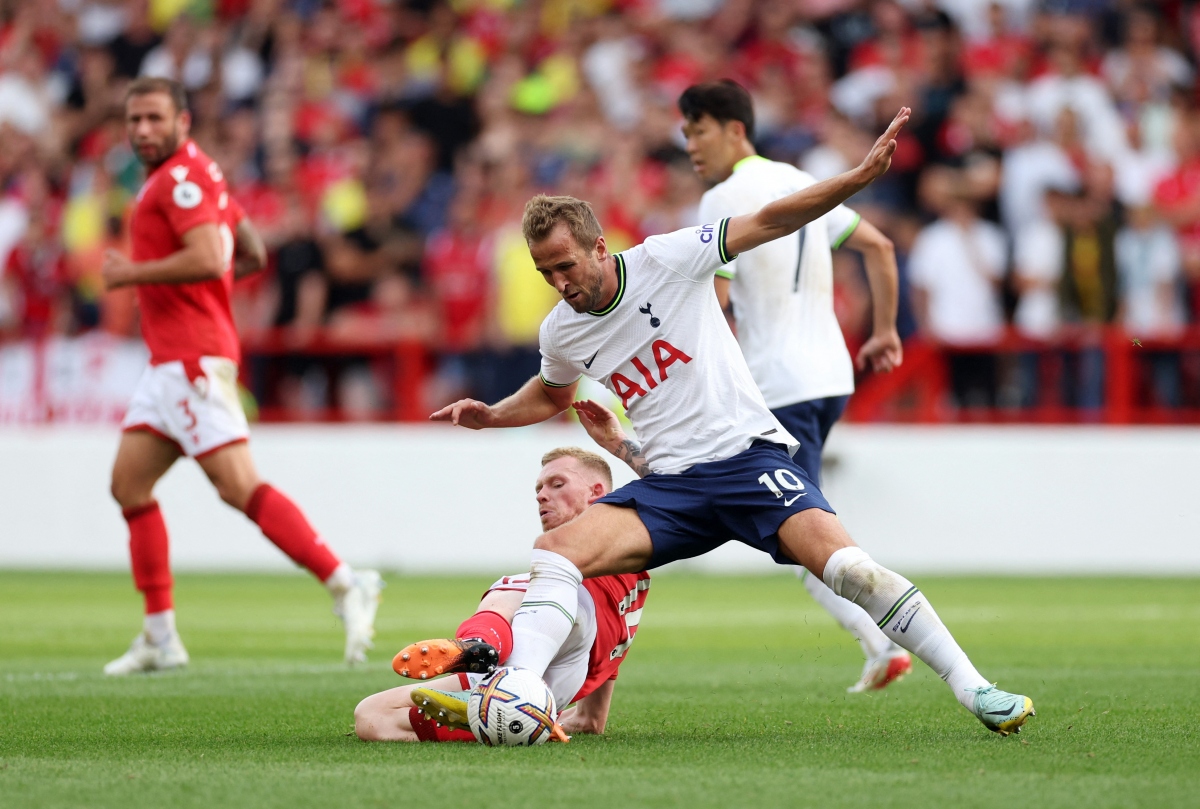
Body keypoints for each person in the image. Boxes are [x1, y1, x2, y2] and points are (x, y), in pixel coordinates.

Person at [428, 107, 1036, 737]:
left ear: (599, 248)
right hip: (671, 488)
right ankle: (522, 694)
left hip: (749, 461)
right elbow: (552, 394)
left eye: (566, 266)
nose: (559, 283)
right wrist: (494, 415)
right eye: (545, 273)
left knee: (853, 571)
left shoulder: (668, 259)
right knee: (554, 553)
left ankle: (977, 689)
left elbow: (772, 220)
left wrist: (856, 178)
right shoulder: (561, 328)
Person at [101, 77, 381, 675]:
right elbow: (246, 252)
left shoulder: (177, 181)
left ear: (184, 120)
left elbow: (209, 257)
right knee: (129, 485)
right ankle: (160, 635)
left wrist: (133, 275)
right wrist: (204, 292)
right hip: (173, 360)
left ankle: (345, 580)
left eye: (154, 118)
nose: (143, 130)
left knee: (239, 488)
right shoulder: (204, 175)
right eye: (135, 120)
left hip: (190, 359)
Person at [678, 80, 912, 693]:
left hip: (778, 383)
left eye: (698, 130)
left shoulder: (724, 197)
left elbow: (714, 306)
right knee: (799, 523)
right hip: (830, 374)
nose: (691, 146)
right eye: (685, 135)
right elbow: (881, 247)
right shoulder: (800, 180)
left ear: (734, 129)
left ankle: (885, 642)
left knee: (802, 537)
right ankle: (880, 643)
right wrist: (884, 330)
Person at [355, 440, 649, 743]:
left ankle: (480, 642)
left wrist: (617, 440)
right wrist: (571, 719)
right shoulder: (638, 571)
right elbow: (595, 713)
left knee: (518, 586)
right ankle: (513, 721)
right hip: (547, 685)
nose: (542, 495)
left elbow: (668, 482)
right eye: (538, 490)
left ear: (597, 492)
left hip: (564, 626)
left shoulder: (609, 535)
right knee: (372, 716)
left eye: (557, 484)